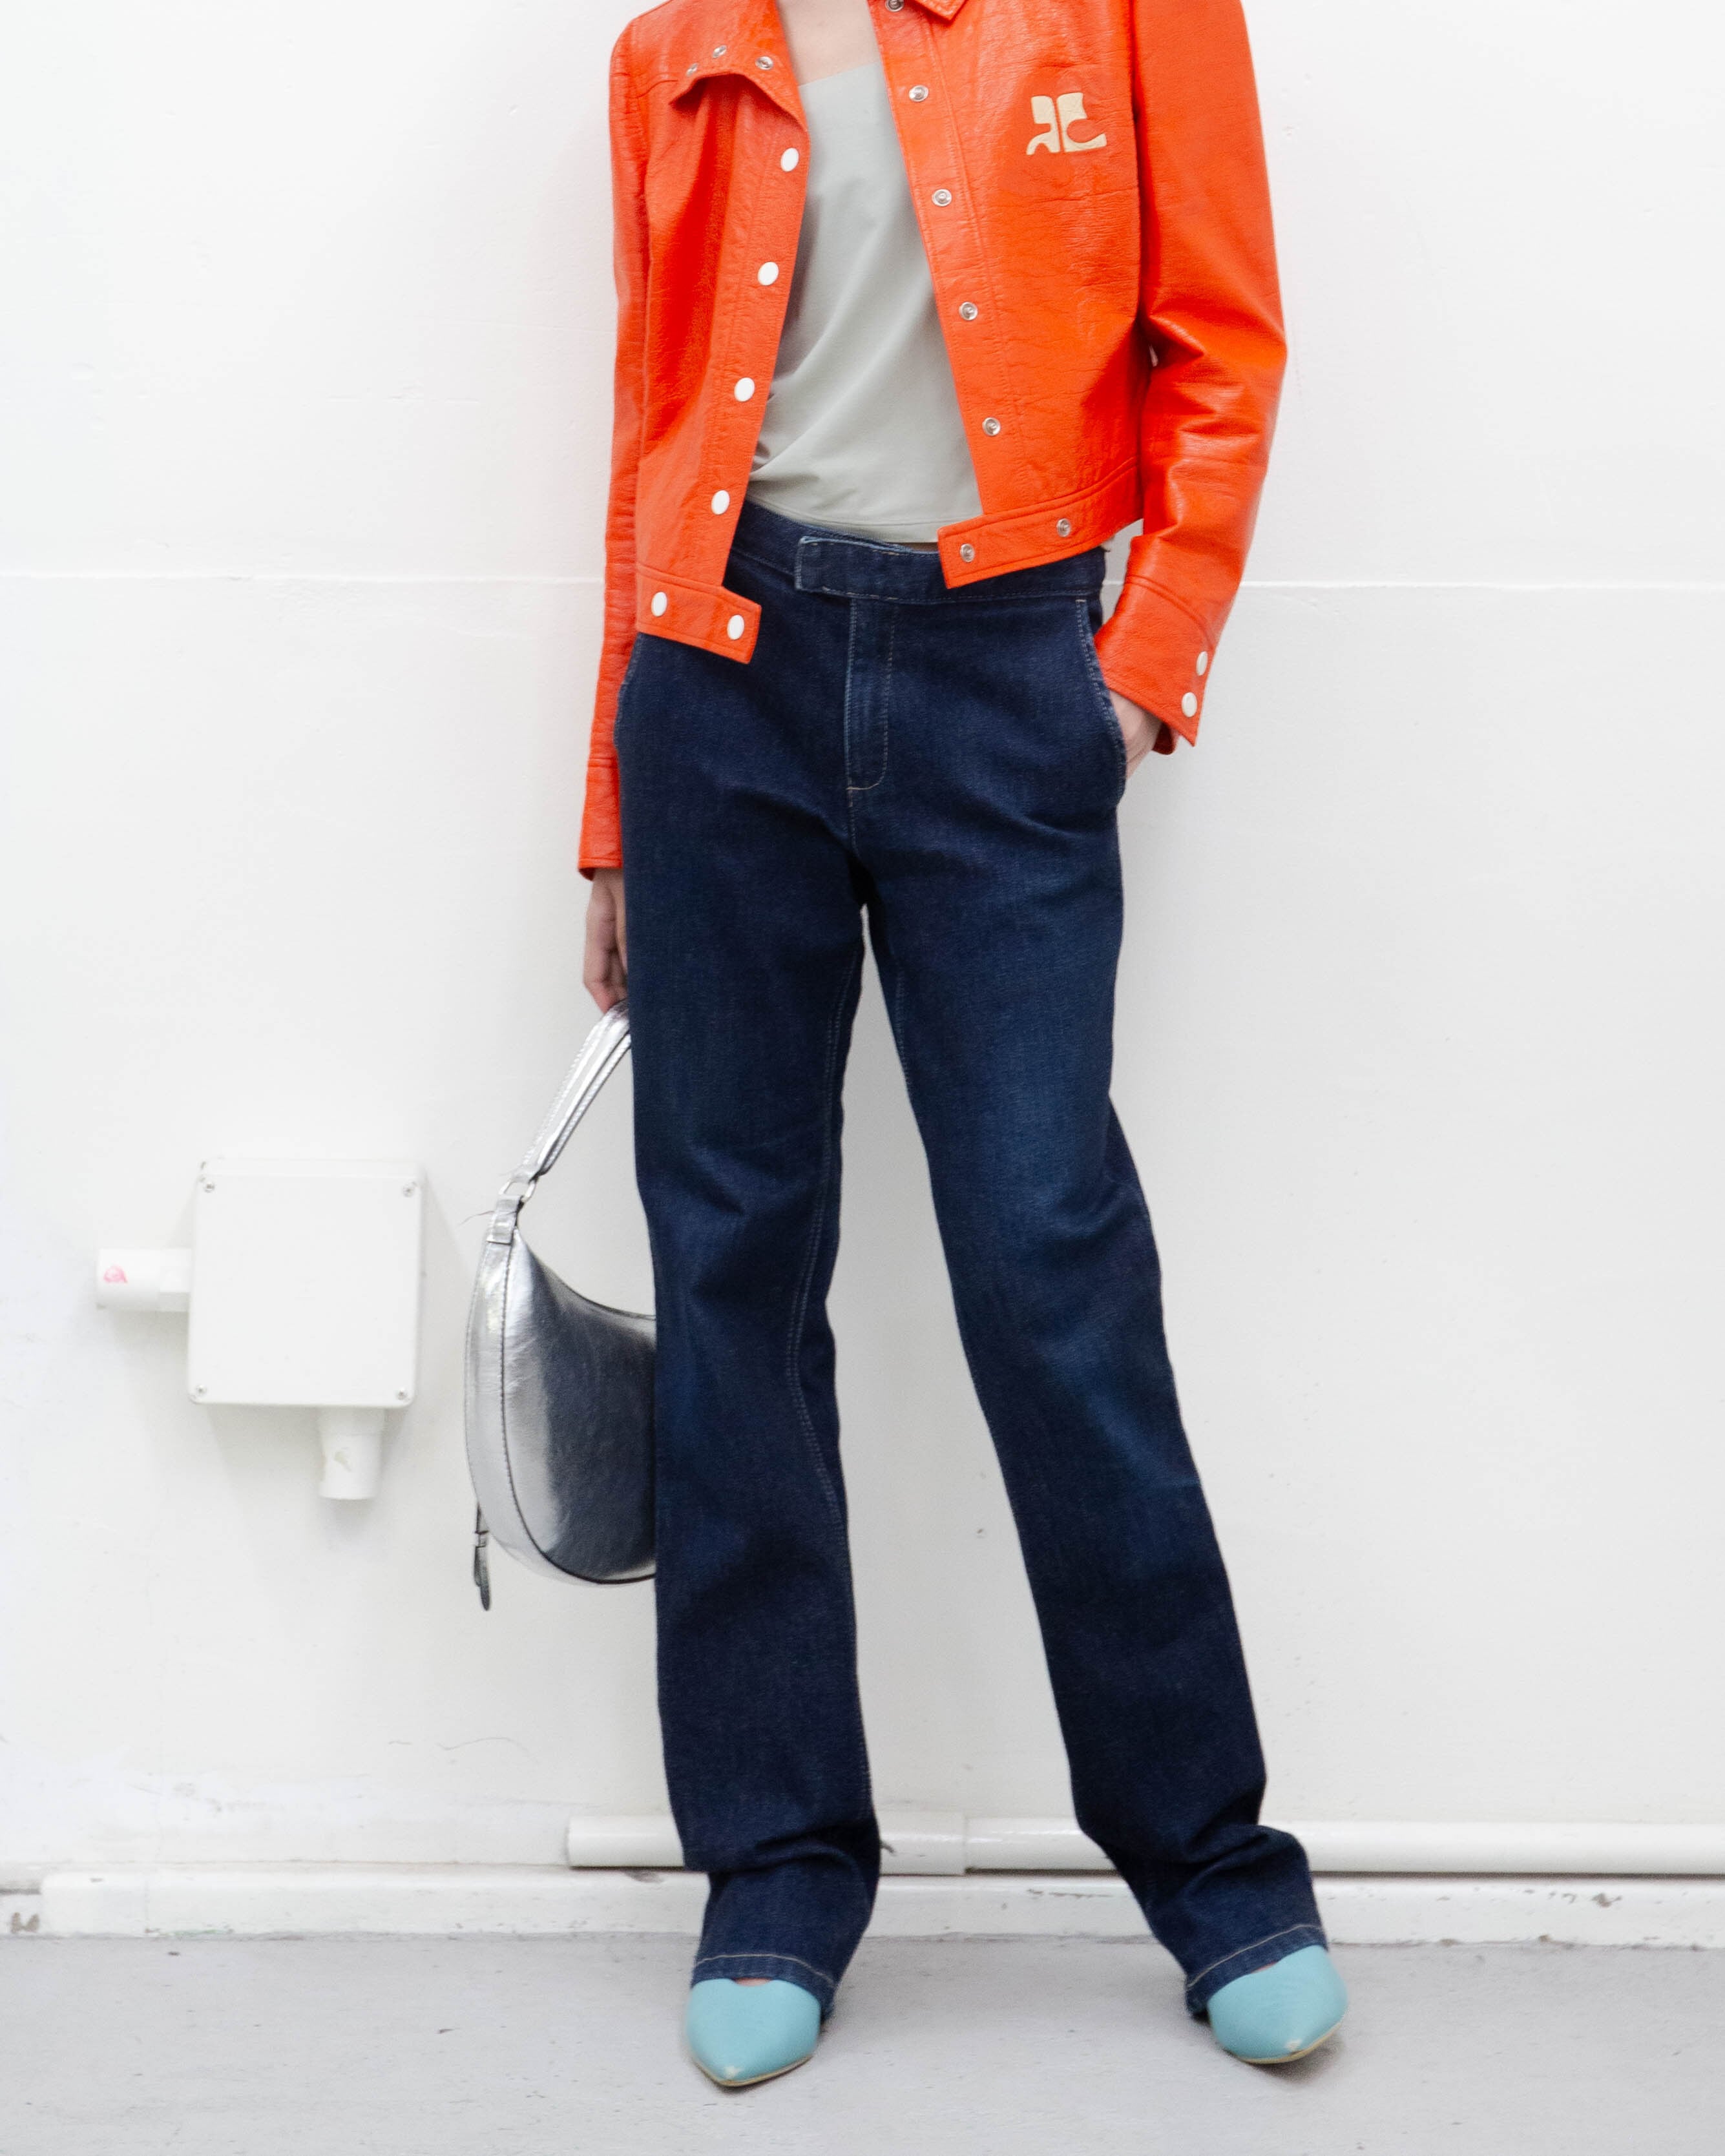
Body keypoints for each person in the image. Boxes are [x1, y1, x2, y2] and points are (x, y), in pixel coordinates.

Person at [578, 0, 1348, 2087]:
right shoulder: (680, 44)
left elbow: (1223, 340)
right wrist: (616, 807)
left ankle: (1213, 1860)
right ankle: (776, 1861)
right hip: (717, 680)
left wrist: (1142, 661)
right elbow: (653, 427)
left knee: (1047, 1255)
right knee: (734, 1273)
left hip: (1008, 671)